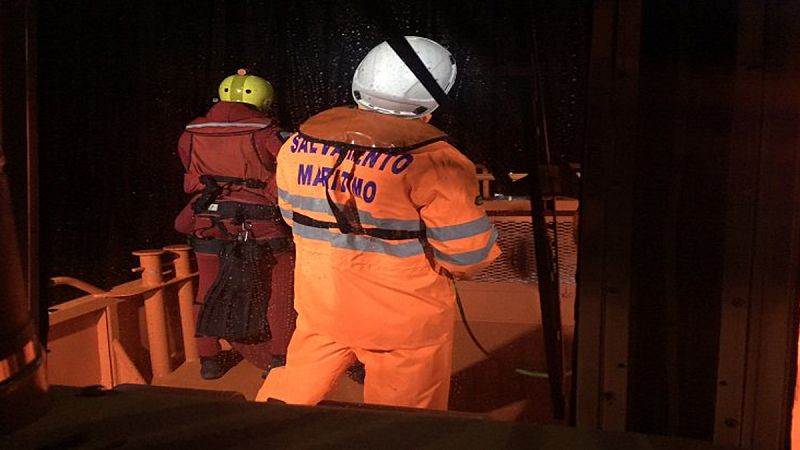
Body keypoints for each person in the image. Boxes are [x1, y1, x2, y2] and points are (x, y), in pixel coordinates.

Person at [255, 37, 500, 410]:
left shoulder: (299, 146)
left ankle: (247, 434)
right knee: (401, 423)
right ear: (435, 96)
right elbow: (468, 256)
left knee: (287, 396)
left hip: (322, 305)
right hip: (403, 322)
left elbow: (292, 218)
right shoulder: (437, 163)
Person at [174, 69, 296, 380]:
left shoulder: (190, 133)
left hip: (209, 220)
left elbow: (191, 169)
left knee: (207, 288)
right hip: (263, 226)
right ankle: (279, 359)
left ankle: (209, 359)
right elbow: (292, 170)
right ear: (265, 101)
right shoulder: (268, 134)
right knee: (279, 291)